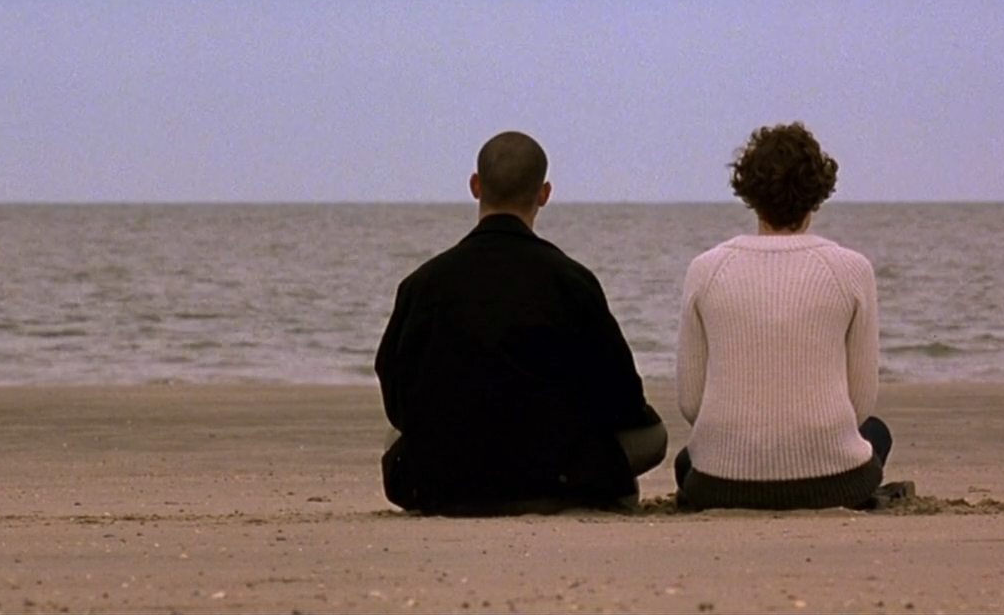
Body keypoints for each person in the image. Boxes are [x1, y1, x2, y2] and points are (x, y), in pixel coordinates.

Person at [375, 131, 666, 515]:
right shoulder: (571, 281)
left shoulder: (421, 284)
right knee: (653, 436)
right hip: (552, 477)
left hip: (448, 480)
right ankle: (599, 493)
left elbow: (396, 391)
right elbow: (623, 397)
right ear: (544, 194)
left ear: (475, 186)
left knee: (395, 436)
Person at [674, 121, 896, 510]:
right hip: (831, 483)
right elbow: (859, 403)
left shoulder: (706, 269)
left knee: (685, 461)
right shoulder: (851, 269)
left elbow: (692, 403)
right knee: (877, 432)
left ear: (749, 194)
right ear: (817, 195)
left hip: (721, 484)